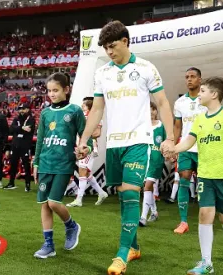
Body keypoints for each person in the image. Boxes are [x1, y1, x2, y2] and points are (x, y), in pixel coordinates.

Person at [75, 21, 175, 275]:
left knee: (131, 192)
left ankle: (121, 256)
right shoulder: (103, 73)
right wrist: (84, 139)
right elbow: (97, 109)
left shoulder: (145, 68)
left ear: (126, 41)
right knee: (123, 195)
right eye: (106, 48)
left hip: (139, 141)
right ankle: (134, 246)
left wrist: (171, 137)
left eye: (112, 46)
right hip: (114, 144)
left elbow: (162, 103)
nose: (109, 52)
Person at [173, 77, 223, 274]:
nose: (199, 95)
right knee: (205, 214)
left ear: (214, 94)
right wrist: (173, 150)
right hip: (205, 176)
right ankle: (206, 263)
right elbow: (189, 141)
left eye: (202, 91)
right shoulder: (199, 119)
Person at [32, 73, 92, 259]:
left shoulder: (74, 111)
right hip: (45, 163)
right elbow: (40, 139)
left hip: (64, 163)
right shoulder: (45, 113)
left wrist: (86, 148)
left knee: (53, 202)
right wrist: (36, 162)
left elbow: (85, 135)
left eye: (55, 90)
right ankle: (48, 245)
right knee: (44, 205)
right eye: (49, 91)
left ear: (66, 89)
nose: (52, 94)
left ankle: (71, 225)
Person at [171, 67, 207, 234]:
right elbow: (177, 126)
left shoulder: (206, 100)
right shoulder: (180, 103)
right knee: (183, 177)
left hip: (205, 147)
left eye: (193, 76)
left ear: (200, 79)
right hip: (186, 147)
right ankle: (183, 221)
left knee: (205, 182)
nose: (189, 79)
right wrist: (173, 146)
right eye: (187, 77)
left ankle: (207, 218)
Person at [66, 97, 108, 207]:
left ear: (89, 106)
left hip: (89, 147)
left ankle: (79, 199)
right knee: (86, 173)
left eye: (83, 104)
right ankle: (101, 193)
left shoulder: (95, 117)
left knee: (82, 171)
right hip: (81, 146)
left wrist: (85, 134)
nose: (81, 106)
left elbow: (97, 133)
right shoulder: (82, 116)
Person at [139, 102, 165, 227]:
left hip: (156, 161)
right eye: (147, 110)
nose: (150, 112)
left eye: (152, 109)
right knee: (147, 187)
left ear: (156, 111)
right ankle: (154, 212)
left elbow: (166, 143)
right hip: (144, 161)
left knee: (147, 186)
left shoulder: (161, 126)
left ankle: (143, 217)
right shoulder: (142, 126)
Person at [5, 103, 35, 191]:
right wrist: (22, 128)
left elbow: (29, 130)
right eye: (20, 109)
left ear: (28, 109)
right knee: (13, 164)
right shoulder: (16, 118)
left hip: (25, 145)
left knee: (26, 165)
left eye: (23, 109)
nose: (21, 110)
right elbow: (11, 129)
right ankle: (11, 183)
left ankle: (28, 184)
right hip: (15, 144)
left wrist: (17, 128)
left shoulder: (31, 119)